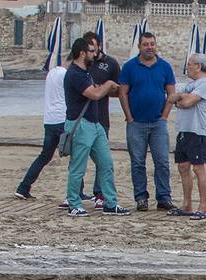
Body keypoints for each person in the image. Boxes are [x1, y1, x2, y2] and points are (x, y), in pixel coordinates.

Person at [62, 35, 129, 217]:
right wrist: (108, 84)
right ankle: (74, 204)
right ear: (82, 53)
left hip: (95, 124)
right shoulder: (75, 74)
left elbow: (99, 91)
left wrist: (110, 87)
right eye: (91, 51)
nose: (95, 54)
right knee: (78, 167)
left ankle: (110, 203)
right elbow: (94, 95)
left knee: (106, 163)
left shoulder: (86, 72)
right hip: (80, 124)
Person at [119, 31, 177, 212]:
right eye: (146, 44)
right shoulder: (129, 67)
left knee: (162, 161)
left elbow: (171, 94)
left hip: (158, 123)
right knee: (137, 162)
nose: (149, 47)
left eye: (152, 43)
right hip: (136, 123)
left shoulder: (165, 67)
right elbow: (123, 93)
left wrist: (165, 116)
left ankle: (164, 197)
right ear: (139, 46)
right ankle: (141, 198)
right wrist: (129, 117)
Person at [168, 52, 206, 221]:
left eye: (189, 64)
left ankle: (202, 207)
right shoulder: (190, 84)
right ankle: (187, 205)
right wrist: (181, 98)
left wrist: (181, 99)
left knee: (198, 168)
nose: (187, 67)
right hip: (184, 129)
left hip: (198, 130)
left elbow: (187, 102)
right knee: (183, 167)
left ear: (198, 66)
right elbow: (173, 98)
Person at [14, 61, 69, 200]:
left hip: (49, 119)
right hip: (61, 118)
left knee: (44, 156)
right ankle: (77, 192)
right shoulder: (65, 74)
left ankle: (23, 187)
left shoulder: (52, 72)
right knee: (74, 156)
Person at [87, 33, 125, 211]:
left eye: (93, 48)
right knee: (78, 158)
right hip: (81, 117)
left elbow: (120, 90)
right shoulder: (81, 63)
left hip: (101, 116)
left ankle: (99, 193)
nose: (91, 52)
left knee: (103, 159)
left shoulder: (110, 63)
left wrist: (103, 90)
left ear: (100, 46)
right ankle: (75, 193)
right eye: (88, 49)